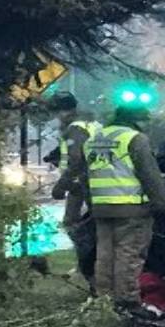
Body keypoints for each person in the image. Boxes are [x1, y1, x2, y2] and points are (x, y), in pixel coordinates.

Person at [62, 104, 165, 311]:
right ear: (137, 120)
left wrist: (91, 203)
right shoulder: (135, 139)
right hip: (131, 209)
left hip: (102, 208)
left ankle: (104, 300)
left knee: (105, 255)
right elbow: (149, 174)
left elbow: (85, 175)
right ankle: (127, 302)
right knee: (128, 254)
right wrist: (161, 204)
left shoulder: (94, 139)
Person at [49, 93, 101, 289]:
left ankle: (87, 267)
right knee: (83, 223)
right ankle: (88, 267)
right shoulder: (92, 124)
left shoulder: (75, 128)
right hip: (97, 181)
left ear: (61, 111)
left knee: (75, 225)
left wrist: (61, 184)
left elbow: (77, 159)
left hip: (81, 183)